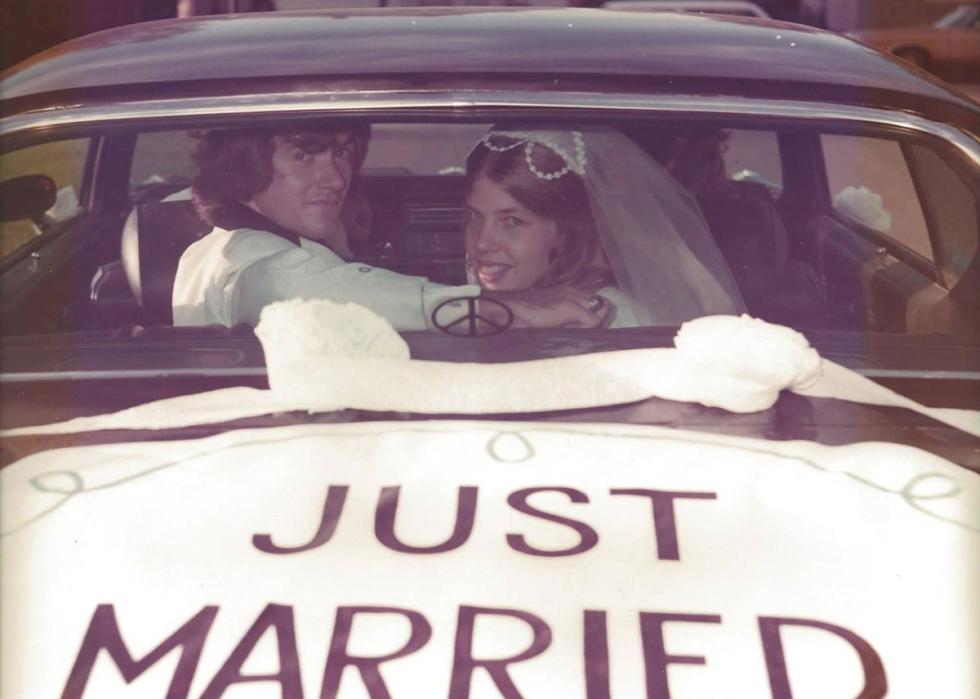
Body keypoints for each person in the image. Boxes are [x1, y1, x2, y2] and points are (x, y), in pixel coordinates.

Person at [172, 122, 606, 331]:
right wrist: (522, 308)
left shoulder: (207, 249)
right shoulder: (258, 265)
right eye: (304, 157)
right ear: (245, 165)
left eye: (342, 153)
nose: (337, 179)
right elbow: (295, 288)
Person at [462, 127, 744, 327]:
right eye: (474, 216)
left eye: (512, 221)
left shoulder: (608, 316)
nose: (481, 243)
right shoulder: (490, 303)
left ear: (566, 231)